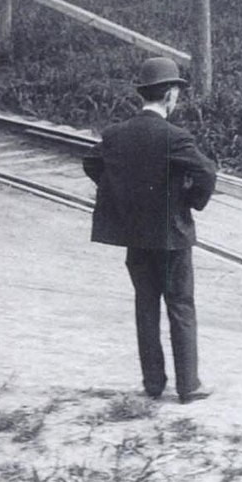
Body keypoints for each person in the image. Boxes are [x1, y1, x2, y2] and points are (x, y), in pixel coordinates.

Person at [83, 56, 218, 403]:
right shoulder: (176, 137)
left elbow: (92, 163)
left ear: (142, 94)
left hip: (136, 237)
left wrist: (123, 194)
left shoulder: (116, 135)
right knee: (181, 306)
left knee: (146, 306)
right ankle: (188, 386)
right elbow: (206, 173)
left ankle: (153, 384)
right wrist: (187, 200)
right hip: (172, 237)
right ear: (171, 94)